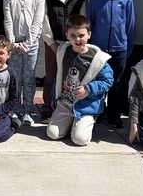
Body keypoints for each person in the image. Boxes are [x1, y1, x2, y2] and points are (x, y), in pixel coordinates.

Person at [45, 14, 113, 146]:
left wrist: (88, 89)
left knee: (79, 140)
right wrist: (54, 96)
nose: (78, 39)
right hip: (66, 102)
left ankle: (87, 120)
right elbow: (59, 76)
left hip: (86, 105)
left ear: (89, 34)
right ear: (67, 36)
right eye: (73, 36)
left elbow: (107, 81)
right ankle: (71, 122)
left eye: (81, 35)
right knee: (52, 134)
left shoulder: (97, 59)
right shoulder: (63, 52)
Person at [87, 0, 135, 128]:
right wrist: (91, 46)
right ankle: (99, 110)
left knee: (116, 82)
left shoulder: (127, 0)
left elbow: (130, 25)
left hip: (119, 48)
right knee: (99, 81)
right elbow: (91, 22)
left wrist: (127, 46)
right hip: (99, 49)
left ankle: (114, 113)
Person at [2, 0, 46, 125]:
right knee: (14, 78)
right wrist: (13, 43)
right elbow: (8, 20)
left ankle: (27, 109)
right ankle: (14, 108)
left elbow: (37, 23)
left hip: (31, 45)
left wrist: (27, 44)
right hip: (13, 44)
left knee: (28, 79)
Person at [41, 0, 84, 123]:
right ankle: (46, 108)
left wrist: (74, 43)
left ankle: (68, 107)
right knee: (51, 76)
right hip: (53, 43)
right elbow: (44, 22)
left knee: (70, 78)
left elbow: (81, 24)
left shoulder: (78, 0)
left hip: (72, 46)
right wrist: (51, 43)